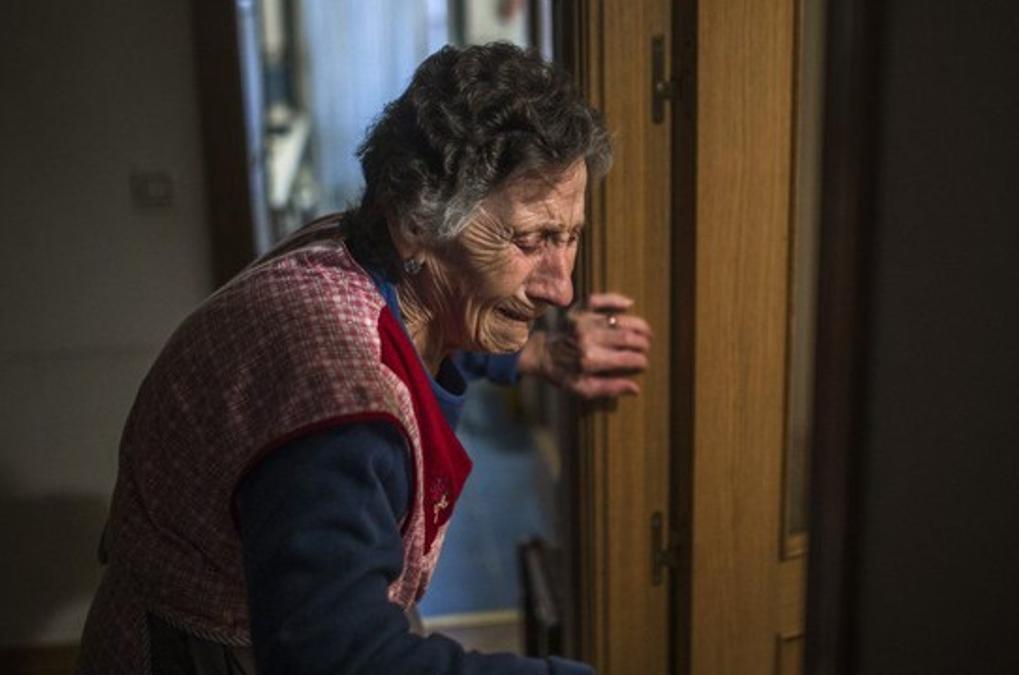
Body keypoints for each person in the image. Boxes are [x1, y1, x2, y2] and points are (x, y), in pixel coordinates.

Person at [78, 43, 652, 674]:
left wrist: (536, 353)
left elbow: (427, 318)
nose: (562, 285)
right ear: (416, 221)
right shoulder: (340, 404)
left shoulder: (365, 249)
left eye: (569, 237)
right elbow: (337, 659)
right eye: (532, 239)